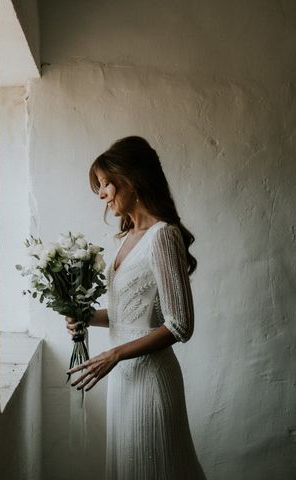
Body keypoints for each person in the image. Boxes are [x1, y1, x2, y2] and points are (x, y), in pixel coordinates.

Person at [66, 136, 206, 479]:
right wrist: (85, 316)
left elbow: (179, 325)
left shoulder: (163, 236)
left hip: (151, 381)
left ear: (130, 179)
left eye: (104, 184)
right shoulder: (125, 240)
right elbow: (126, 315)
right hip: (122, 382)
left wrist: (114, 355)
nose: (101, 195)